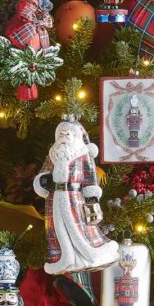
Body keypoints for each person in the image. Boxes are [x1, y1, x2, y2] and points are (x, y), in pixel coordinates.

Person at [34, 115, 119, 275]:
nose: (64, 137)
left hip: (75, 197)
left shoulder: (82, 153)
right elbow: (44, 173)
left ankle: (90, 253)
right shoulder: (53, 154)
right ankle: (64, 258)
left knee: (78, 226)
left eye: (68, 134)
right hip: (56, 197)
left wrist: (92, 195)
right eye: (61, 134)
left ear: (75, 135)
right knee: (57, 227)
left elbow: (90, 176)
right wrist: (43, 181)